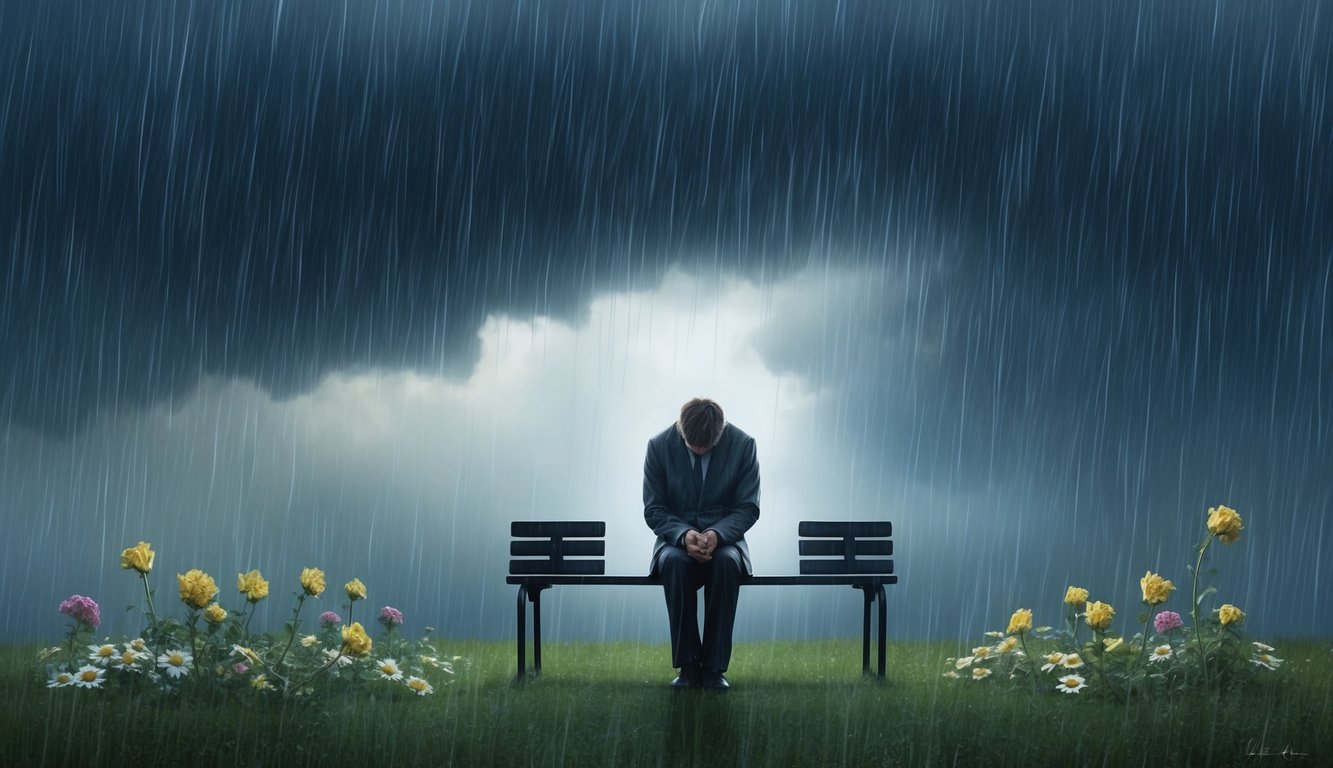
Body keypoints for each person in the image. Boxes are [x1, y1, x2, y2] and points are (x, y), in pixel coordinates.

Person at [643, 397, 760, 690]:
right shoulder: (658, 446)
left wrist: (716, 535)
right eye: (693, 446)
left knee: (726, 563)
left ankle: (713, 668)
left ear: (720, 433)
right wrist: (684, 536)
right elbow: (654, 509)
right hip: (675, 541)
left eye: (706, 447)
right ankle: (688, 666)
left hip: (725, 542)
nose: (700, 450)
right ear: (681, 431)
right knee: (673, 563)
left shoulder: (743, 445)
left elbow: (748, 507)